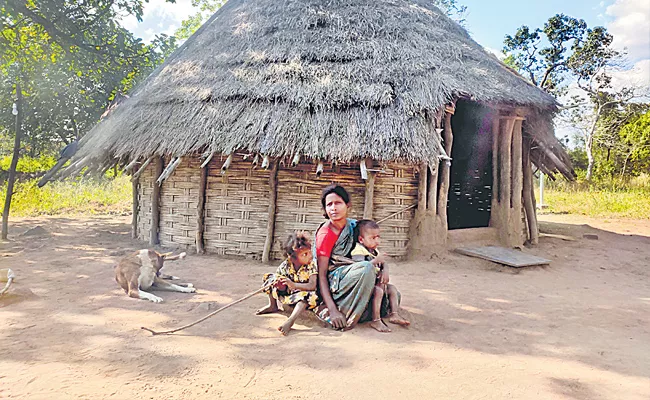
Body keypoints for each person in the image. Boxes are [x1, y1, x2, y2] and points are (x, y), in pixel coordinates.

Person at [313, 184, 377, 330]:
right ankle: (344, 310)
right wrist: (332, 310)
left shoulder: (354, 226)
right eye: (329, 204)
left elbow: (373, 252)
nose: (333, 208)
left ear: (348, 205)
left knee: (392, 295)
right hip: (335, 282)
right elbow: (321, 275)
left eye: (338, 203)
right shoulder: (325, 234)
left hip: (353, 273)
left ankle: (363, 308)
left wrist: (384, 269)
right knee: (367, 268)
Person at [351, 219, 410, 333]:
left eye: (378, 236)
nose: (377, 241)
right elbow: (359, 268)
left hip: (378, 282)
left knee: (392, 289)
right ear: (361, 239)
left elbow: (383, 264)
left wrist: (385, 270)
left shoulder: (374, 250)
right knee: (378, 291)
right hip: (366, 287)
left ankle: (394, 314)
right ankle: (376, 320)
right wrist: (375, 261)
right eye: (373, 238)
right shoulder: (358, 251)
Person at [256, 232, 319, 336]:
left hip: (302, 296)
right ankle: (272, 305)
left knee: (307, 296)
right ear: (292, 257)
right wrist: (280, 285)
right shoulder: (286, 265)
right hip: (288, 294)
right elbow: (279, 280)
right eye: (304, 254)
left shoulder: (311, 265)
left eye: (309, 252)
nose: (310, 256)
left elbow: (312, 285)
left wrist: (294, 285)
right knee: (269, 278)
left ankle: (290, 320)